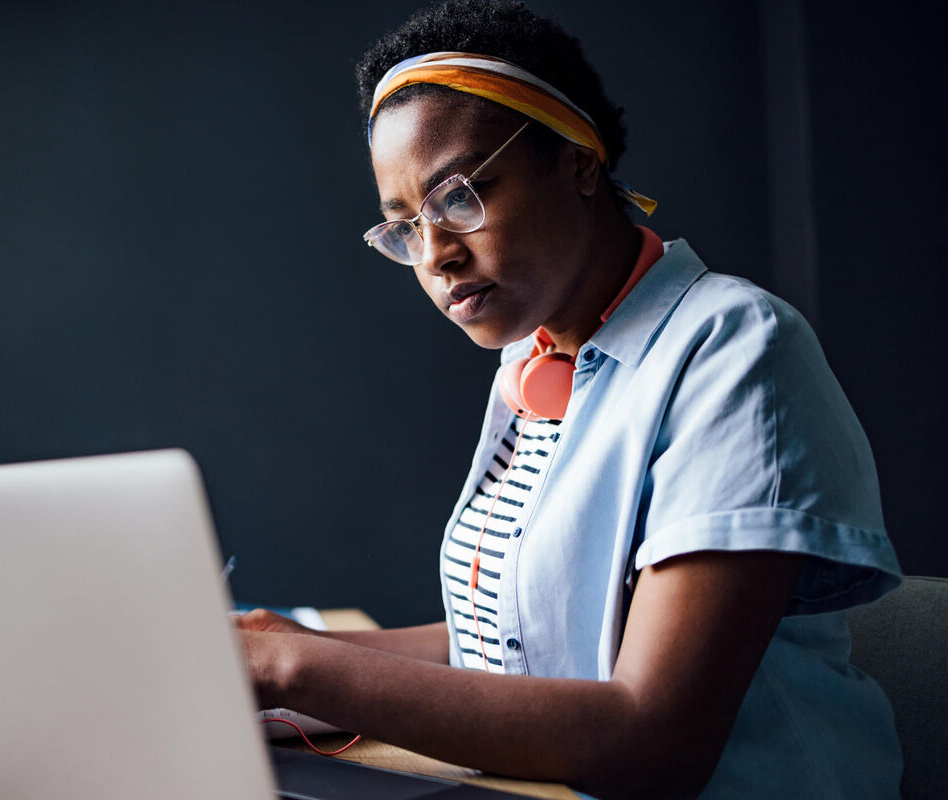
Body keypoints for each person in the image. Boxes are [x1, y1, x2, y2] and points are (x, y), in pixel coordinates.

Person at [236, 2, 903, 797]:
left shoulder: (733, 347)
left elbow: (653, 739)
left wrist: (293, 669)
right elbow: (523, 645)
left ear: (580, 161)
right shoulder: (537, 355)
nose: (438, 255)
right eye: (406, 226)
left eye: (462, 195)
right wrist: (280, 642)